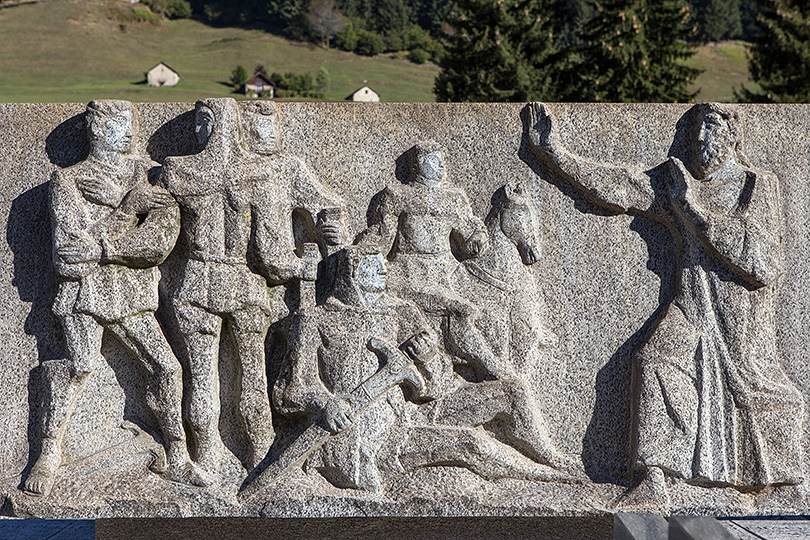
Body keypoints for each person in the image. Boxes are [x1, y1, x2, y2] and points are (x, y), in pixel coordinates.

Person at [528, 102, 804, 509]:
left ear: (732, 132)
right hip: (692, 304)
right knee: (656, 360)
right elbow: (622, 187)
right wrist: (556, 154)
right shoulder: (677, 181)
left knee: (760, 392)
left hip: (739, 318)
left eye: (710, 127)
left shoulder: (756, 185)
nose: (699, 139)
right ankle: (655, 478)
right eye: (695, 128)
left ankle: (779, 485)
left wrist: (695, 212)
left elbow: (761, 263)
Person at [274, 246, 578, 493]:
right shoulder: (314, 320)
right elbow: (289, 392)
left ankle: (551, 459)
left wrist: (430, 356)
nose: (382, 270)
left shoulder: (400, 312)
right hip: (361, 434)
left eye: (382, 263)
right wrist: (325, 403)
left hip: (408, 413)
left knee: (512, 391)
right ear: (351, 273)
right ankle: (546, 479)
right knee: (469, 444)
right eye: (371, 265)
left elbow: (436, 385)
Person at [25, 100, 206, 496]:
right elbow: (68, 256)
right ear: (96, 128)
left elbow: (157, 246)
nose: (128, 131)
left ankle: (178, 455)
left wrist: (101, 248)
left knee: (167, 368)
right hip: (83, 293)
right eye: (118, 124)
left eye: (131, 123)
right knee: (78, 366)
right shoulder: (68, 181)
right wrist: (126, 212)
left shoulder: (148, 177)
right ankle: (48, 453)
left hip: (132, 291)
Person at [161, 98, 344, 474]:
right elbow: (270, 253)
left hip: (195, 282)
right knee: (252, 377)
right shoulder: (257, 176)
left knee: (202, 375)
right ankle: (261, 455)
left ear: (215, 125)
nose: (198, 130)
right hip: (244, 287)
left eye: (202, 122)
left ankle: (208, 454)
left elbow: (162, 236)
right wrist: (301, 266)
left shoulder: (179, 172)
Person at [358, 140, 515, 381]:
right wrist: (358, 251)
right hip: (408, 274)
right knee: (461, 311)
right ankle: (490, 368)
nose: (440, 167)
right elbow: (383, 238)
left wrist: (478, 238)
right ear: (417, 165)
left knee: (489, 309)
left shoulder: (454, 199)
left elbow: (468, 239)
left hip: (445, 275)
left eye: (441, 161)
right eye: (433, 161)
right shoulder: (398, 195)